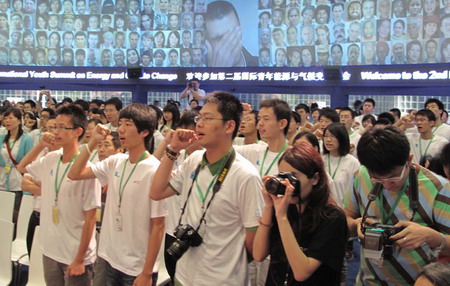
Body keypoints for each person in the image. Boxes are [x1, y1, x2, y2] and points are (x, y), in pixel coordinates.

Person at [150, 91, 264, 286]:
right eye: (199, 117)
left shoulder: (245, 176)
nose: (199, 123)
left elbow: (253, 245)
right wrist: (173, 150)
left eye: (208, 118)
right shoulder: (194, 160)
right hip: (184, 275)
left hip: (222, 280)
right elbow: (156, 192)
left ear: (230, 126)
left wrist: (223, 259)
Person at [68, 103, 166, 286]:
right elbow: (74, 174)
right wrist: (92, 142)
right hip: (107, 257)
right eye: (120, 124)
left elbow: (158, 226)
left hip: (136, 266)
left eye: (128, 125)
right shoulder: (115, 161)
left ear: (144, 132)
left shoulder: (155, 170)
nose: (121, 129)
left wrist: (146, 272)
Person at [344, 126, 450, 285]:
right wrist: (354, 224)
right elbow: (347, 215)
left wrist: (432, 237)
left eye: (393, 178)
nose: (386, 185)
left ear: (409, 160)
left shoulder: (438, 188)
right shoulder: (362, 176)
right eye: (378, 179)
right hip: (368, 280)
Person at [17, 105, 100, 286]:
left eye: (62, 127)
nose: (56, 132)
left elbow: (91, 218)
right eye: (54, 127)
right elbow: (22, 168)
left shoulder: (86, 169)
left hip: (75, 254)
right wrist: (41, 145)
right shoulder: (51, 158)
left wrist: (79, 259)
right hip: (50, 249)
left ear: (78, 131)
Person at [253, 142, 348, 286]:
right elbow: (258, 254)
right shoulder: (284, 209)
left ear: (315, 179)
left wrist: (282, 217)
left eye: (294, 177)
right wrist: (268, 206)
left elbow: (302, 272)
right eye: (283, 176)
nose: (288, 184)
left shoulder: (332, 217)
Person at [1, 107, 34, 222]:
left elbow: (29, 163)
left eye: (11, 118)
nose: (7, 121)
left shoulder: (26, 139)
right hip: (2, 180)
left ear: (19, 121)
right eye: (5, 118)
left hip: (17, 182)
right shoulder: (1, 138)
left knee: (14, 216)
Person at [205, 1, 258, 67]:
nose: (230, 43)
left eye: (232, 33)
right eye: (219, 38)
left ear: (240, 26)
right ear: (206, 42)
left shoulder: (263, 65)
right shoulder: (193, 68)